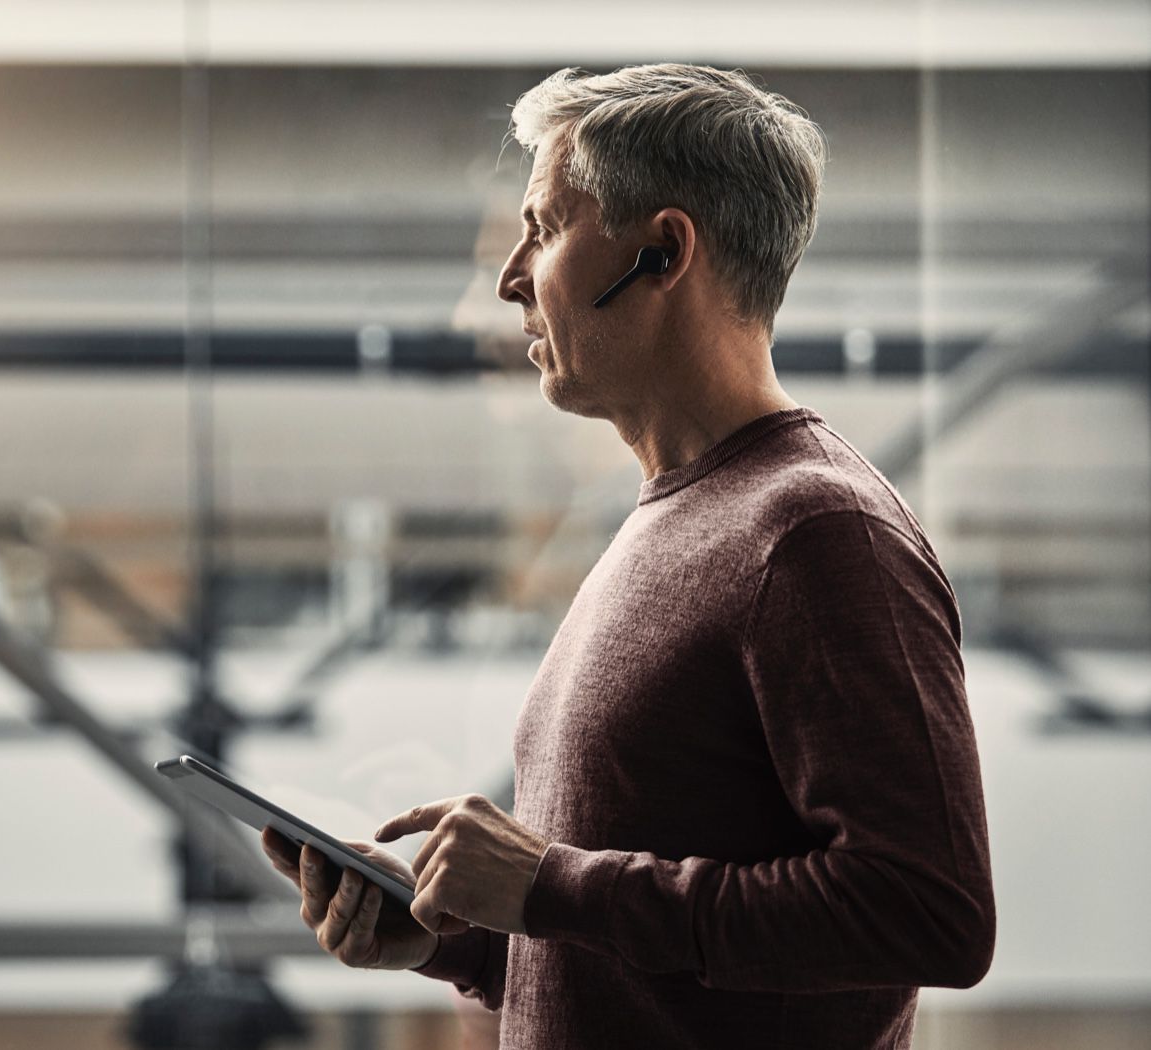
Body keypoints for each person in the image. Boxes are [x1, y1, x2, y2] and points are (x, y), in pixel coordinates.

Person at [259, 63, 995, 1049]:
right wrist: (457, 941)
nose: (512, 278)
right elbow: (633, 954)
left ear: (662, 251)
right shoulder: (667, 523)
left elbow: (929, 913)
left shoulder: (820, 533)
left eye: (545, 227)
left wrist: (549, 882)